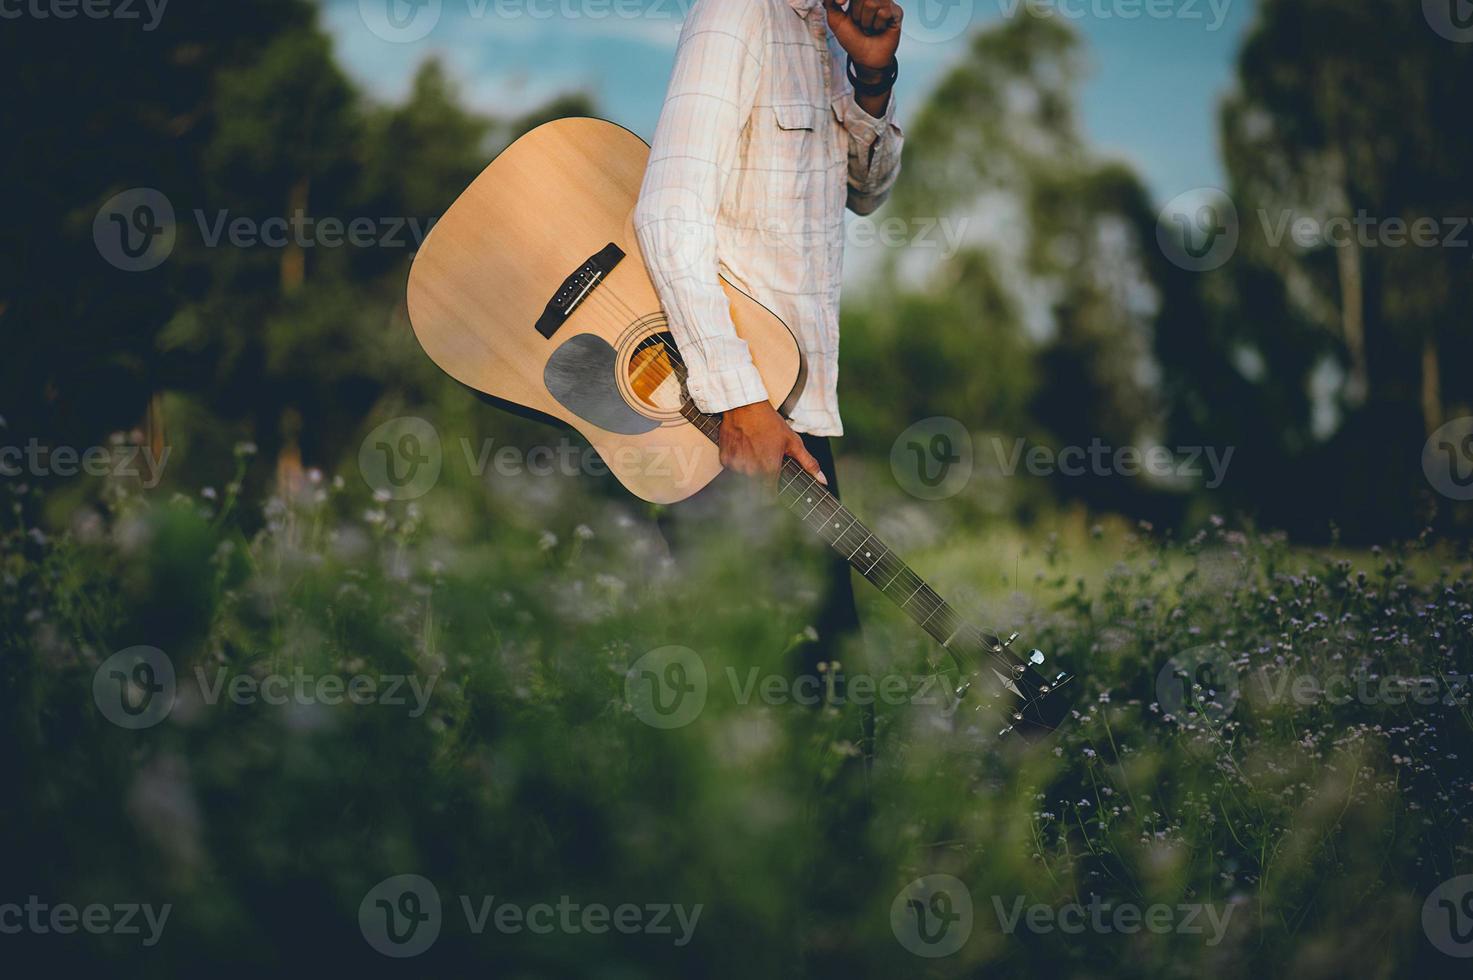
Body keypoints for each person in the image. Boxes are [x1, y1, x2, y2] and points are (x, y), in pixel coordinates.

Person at [633, 0, 905, 769]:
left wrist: (872, 74)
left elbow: (867, 189)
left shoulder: (824, 31)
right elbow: (667, 213)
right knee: (809, 723)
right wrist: (741, 401)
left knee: (821, 707)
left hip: (789, 409)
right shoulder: (736, 13)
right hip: (733, 420)